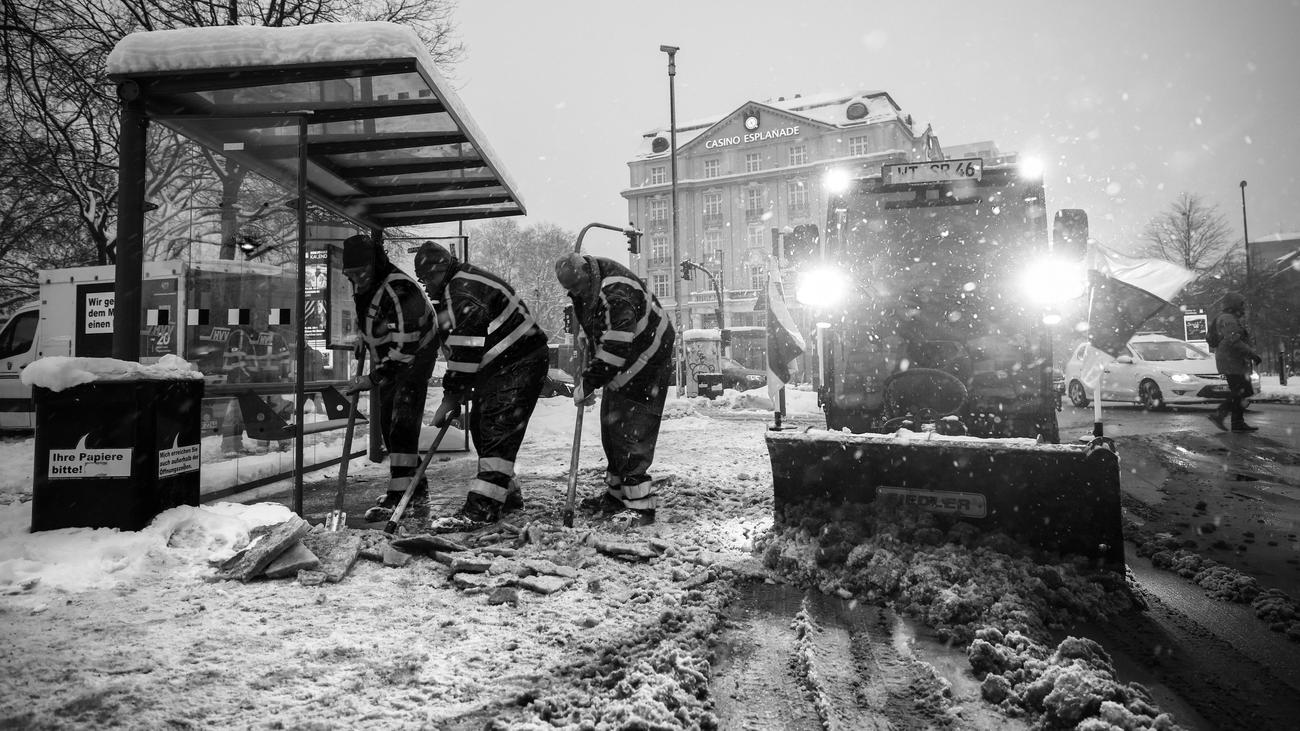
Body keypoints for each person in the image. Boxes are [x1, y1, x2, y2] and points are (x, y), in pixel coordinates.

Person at [412, 241, 551, 531]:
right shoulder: (457, 286)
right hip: (507, 364)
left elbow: (466, 347)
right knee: (483, 428)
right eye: (422, 280)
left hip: (519, 363)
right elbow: (459, 346)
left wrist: (451, 396)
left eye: (429, 279)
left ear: (442, 270)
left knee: (496, 429)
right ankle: (506, 496)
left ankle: (481, 509)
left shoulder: (461, 290)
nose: (426, 286)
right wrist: (459, 388)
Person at [555, 252, 676, 525]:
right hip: (628, 359)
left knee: (632, 430)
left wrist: (588, 382)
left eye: (577, 287)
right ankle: (617, 495)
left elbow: (616, 347)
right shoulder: (589, 281)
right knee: (613, 427)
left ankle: (640, 506)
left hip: (648, 360)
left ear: (587, 273)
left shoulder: (616, 292)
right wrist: (588, 333)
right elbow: (600, 324)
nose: (575, 292)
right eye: (570, 289)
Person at [338, 234, 439, 518]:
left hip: (416, 355)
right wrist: (364, 337)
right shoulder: (367, 283)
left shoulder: (400, 289)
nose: (356, 279)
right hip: (391, 356)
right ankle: (413, 490)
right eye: (350, 274)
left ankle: (401, 496)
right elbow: (369, 314)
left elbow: (406, 348)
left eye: (361, 273)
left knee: (402, 425)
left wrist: (372, 378)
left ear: (375, 264)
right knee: (387, 424)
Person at [1208, 291, 1262, 432]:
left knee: (1241, 392)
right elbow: (1234, 341)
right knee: (1241, 391)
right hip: (1232, 361)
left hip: (1232, 361)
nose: (1243, 307)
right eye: (1241, 304)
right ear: (1235, 304)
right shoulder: (1228, 319)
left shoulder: (1228, 318)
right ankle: (1221, 415)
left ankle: (1236, 422)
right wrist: (1252, 354)